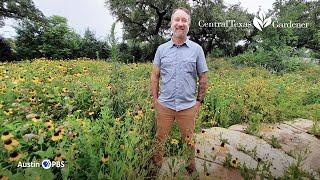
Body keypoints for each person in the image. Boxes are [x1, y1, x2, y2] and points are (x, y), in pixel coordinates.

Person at [150, 7, 209, 173]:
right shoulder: (161, 50)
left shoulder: (197, 50)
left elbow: (203, 78)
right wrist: (156, 100)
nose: (180, 24)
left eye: (184, 20)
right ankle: (156, 168)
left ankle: (191, 169)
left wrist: (199, 102)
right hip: (165, 105)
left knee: (189, 141)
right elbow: (155, 76)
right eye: (177, 20)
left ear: (189, 24)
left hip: (188, 106)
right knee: (159, 139)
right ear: (171, 24)